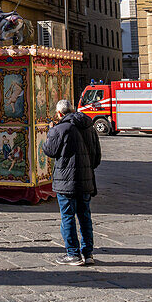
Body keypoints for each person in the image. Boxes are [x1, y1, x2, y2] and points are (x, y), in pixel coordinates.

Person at [42, 98, 101, 266]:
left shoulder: (60, 129)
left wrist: (50, 133)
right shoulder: (89, 127)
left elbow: (49, 151)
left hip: (65, 182)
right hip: (86, 181)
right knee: (85, 216)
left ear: (60, 113)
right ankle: (88, 253)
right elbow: (97, 157)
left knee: (68, 216)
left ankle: (72, 253)